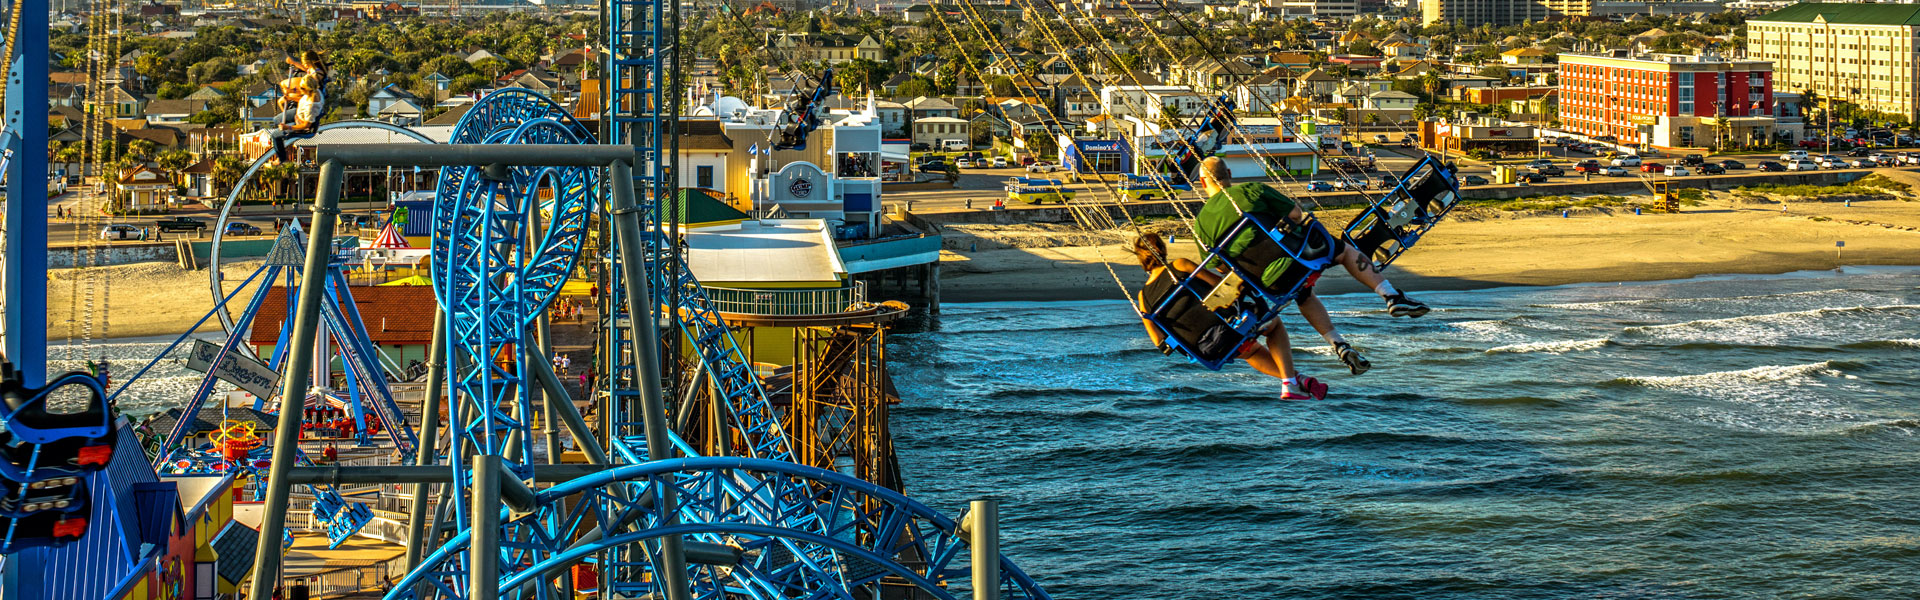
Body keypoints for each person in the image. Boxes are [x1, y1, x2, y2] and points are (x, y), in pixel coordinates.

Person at [1191, 157, 1428, 375]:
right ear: (1229, 173)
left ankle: (1339, 345)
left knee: (1303, 295)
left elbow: (1219, 267)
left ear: (1202, 182)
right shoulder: (1251, 190)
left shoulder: (1201, 225)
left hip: (1268, 283)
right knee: (1344, 251)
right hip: (1297, 259)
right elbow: (1295, 214)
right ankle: (1390, 295)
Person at [1134, 232, 1326, 400]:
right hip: (1229, 327)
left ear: (1141, 259)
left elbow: (1158, 340)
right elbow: (1219, 285)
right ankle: (1290, 381)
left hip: (1207, 349)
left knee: (1250, 351)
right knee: (1273, 325)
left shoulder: (1143, 297)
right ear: (1162, 249)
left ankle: (1299, 381)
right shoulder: (1180, 265)